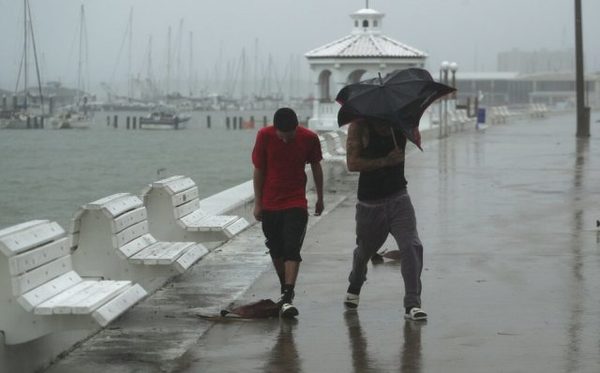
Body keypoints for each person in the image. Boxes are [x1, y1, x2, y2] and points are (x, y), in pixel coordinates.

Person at [343, 117, 427, 321]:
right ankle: (355, 283)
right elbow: (352, 164)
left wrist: (413, 131)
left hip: (399, 197)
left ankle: (412, 304)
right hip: (370, 203)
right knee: (365, 251)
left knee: (411, 246)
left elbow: (416, 140)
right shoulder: (360, 126)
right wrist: (385, 161)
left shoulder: (400, 123)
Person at [252, 107, 324, 318]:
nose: (285, 140)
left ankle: (287, 294)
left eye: (290, 135)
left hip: (296, 202)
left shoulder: (309, 138)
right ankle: (286, 290)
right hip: (270, 203)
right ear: (275, 129)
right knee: (276, 249)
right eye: (281, 136)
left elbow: (317, 166)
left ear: (297, 127)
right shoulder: (264, 136)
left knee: (292, 247)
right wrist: (258, 203)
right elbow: (259, 170)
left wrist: (320, 197)